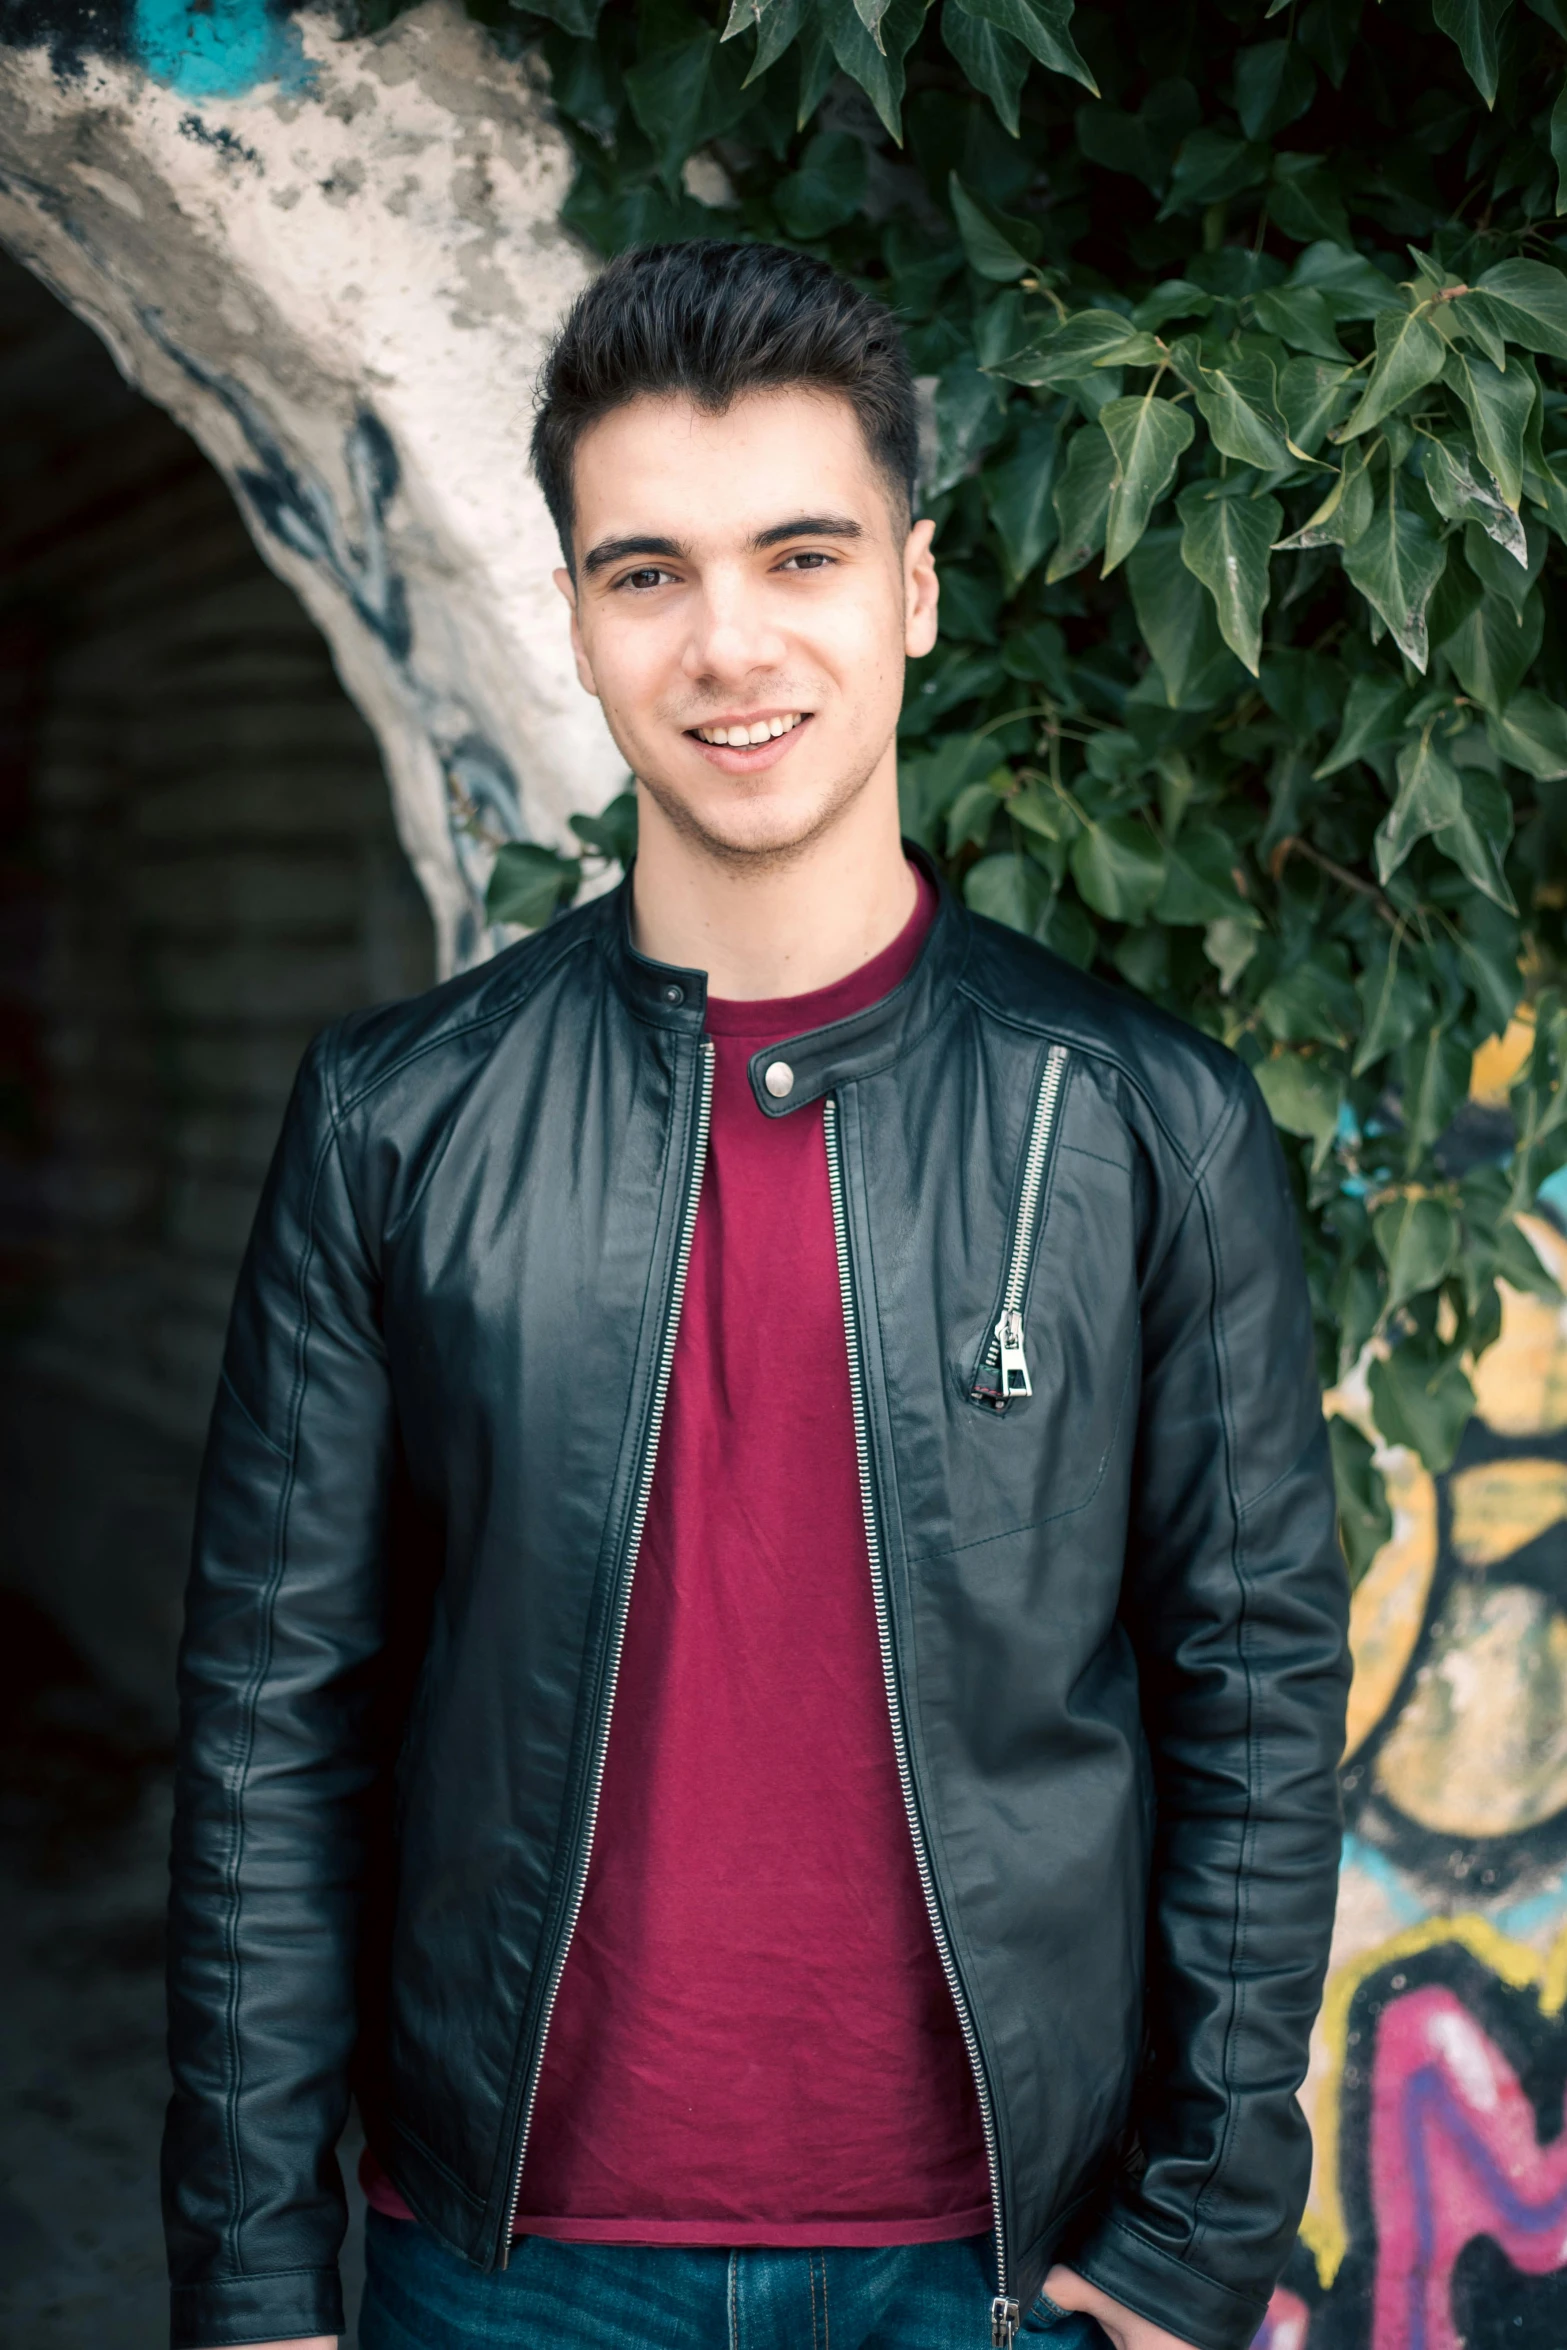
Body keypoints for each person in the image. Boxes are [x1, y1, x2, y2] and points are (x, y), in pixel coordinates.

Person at [163, 240, 1350, 2350]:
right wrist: (254, 2283)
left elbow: (1253, 1693)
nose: (731, 643)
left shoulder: (1144, 1124)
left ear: (911, 586)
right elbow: (276, 1731)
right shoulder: (394, 1122)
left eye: (800, 554)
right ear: (577, 620)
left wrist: (1193, 2240)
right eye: (649, 573)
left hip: (995, 2270)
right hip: (505, 2265)